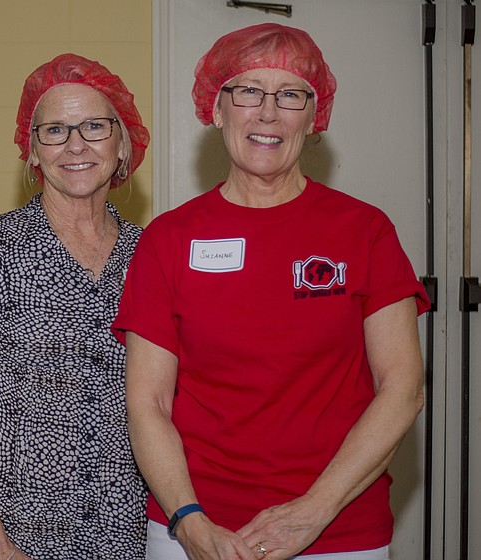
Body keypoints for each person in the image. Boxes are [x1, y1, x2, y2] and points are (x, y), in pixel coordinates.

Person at [112, 23, 430, 560]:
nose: (268, 112)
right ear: (216, 110)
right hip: (192, 529)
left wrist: (314, 510)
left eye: (290, 95)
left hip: (338, 532)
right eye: (248, 91)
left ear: (315, 118)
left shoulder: (365, 231)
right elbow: (148, 401)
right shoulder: (169, 239)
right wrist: (188, 521)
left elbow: (403, 387)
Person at [0, 53, 150, 560]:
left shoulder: (150, 255)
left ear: (122, 145)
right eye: (55, 131)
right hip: (11, 530)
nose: (76, 144)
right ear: (31, 152)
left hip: (124, 529)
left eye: (94, 126)